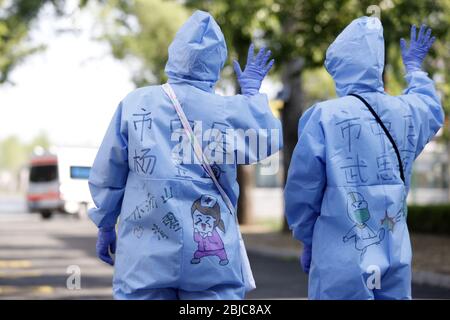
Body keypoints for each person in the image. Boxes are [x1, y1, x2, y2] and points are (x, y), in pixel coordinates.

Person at [88, 10, 281, 300]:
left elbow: (108, 170)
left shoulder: (136, 103)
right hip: (212, 260)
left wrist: (105, 222)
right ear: (216, 63)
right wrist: (252, 97)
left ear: (174, 53)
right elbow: (268, 139)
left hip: (145, 257)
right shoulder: (228, 111)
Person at [284, 16, 443, 300]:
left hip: (341, 259)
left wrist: (307, 238)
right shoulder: (406, 111)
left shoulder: (324, 116)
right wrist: (415, 70)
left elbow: (303, 188)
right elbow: (431, 108)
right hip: (395, 252)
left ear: (339, 67)